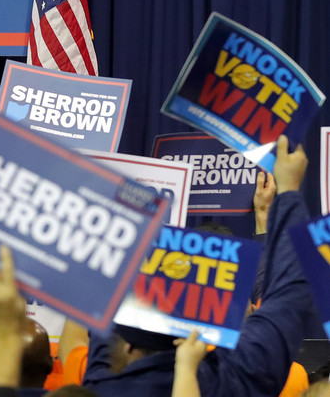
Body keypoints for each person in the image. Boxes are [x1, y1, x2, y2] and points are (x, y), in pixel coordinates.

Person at [69, 134, 312, 396]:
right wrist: (286, 196)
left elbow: (81, 335)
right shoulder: (254, 377)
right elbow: (286, 299)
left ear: (127, 347)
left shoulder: (98, 384)